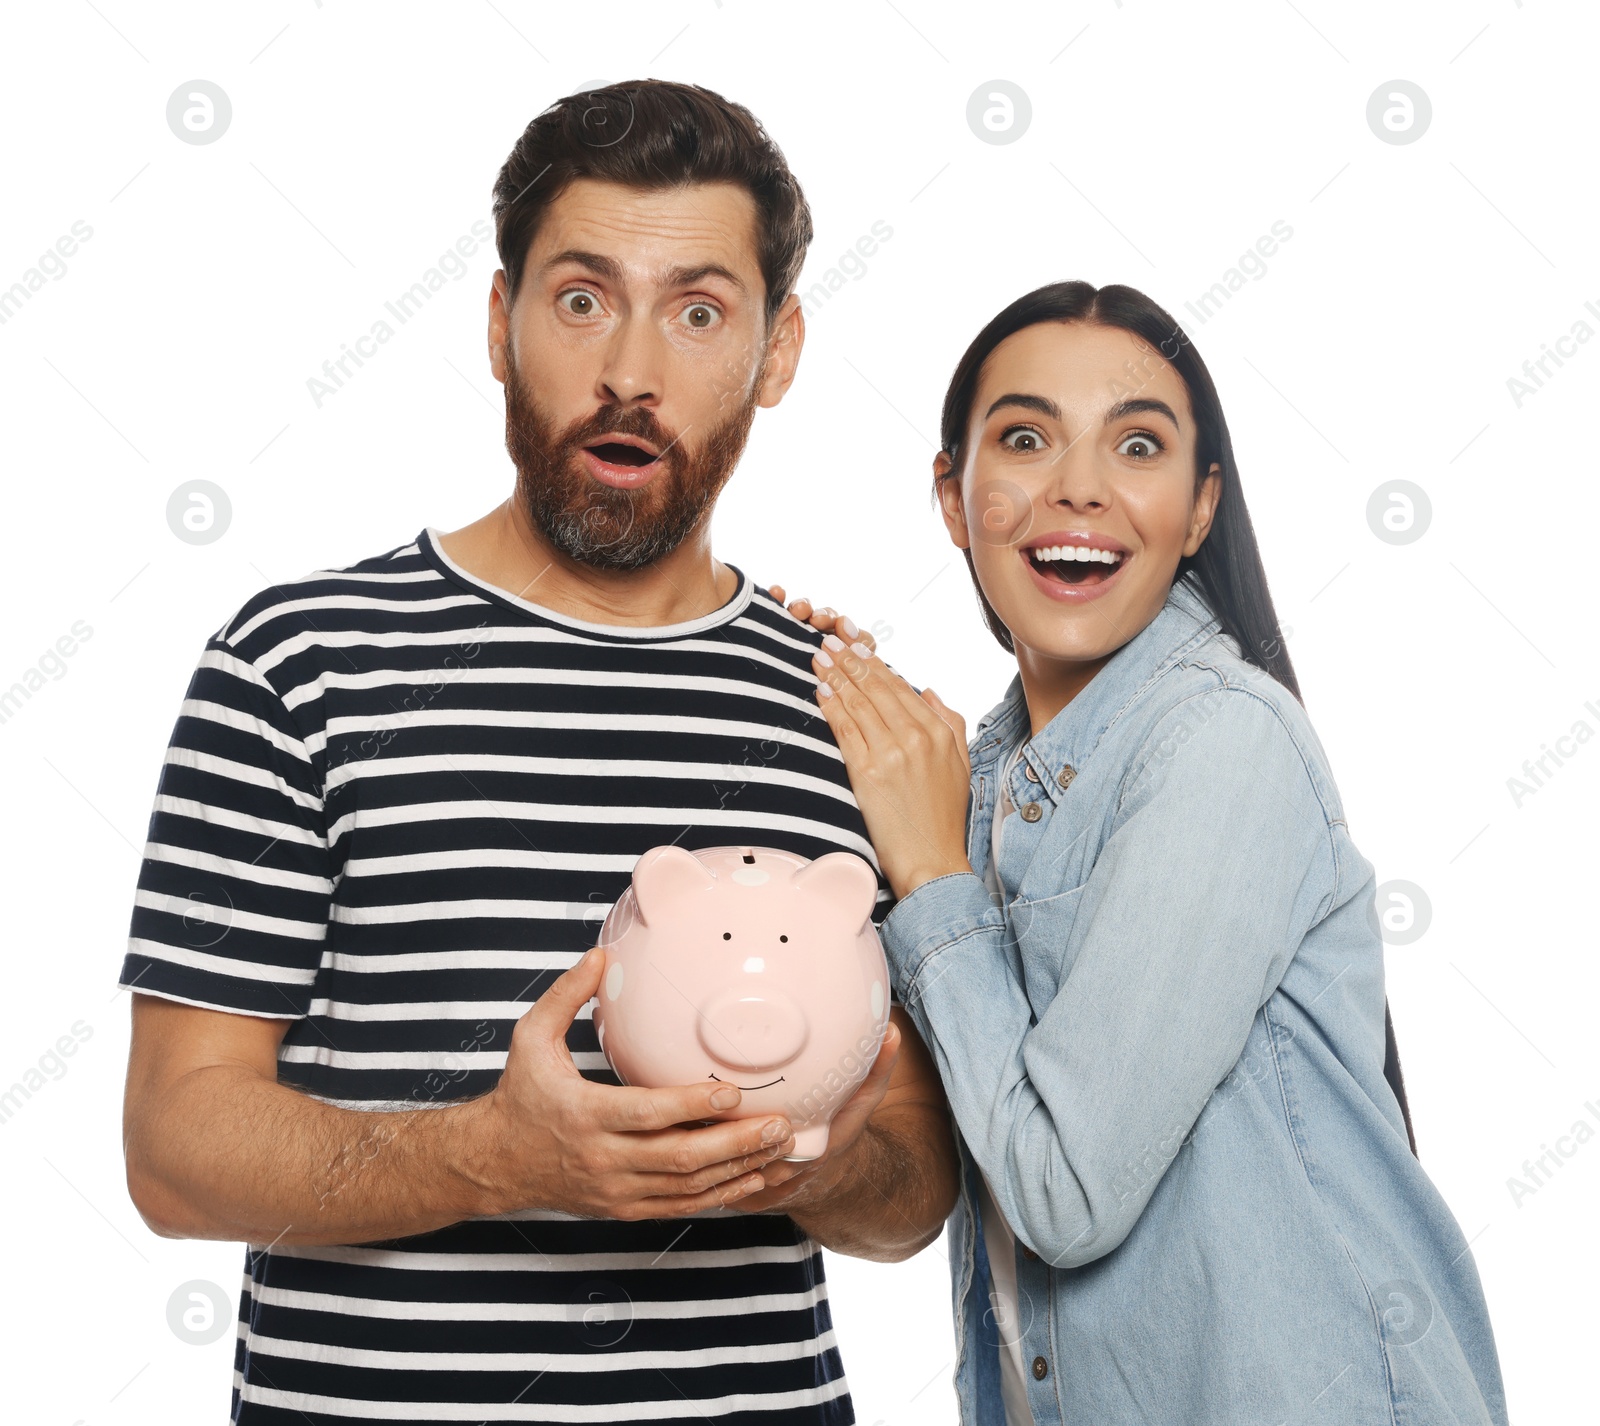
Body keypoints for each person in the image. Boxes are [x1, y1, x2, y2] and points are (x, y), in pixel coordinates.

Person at [118, 81, 956, 1426]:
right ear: (499, 325)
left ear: (779, 350)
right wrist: (497, 1155)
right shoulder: (298, 664)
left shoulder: (848, 710)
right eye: (581, 298)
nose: (632, 368)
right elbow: (173, 1148)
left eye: (698, 311)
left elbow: (915, 1192)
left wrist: (820, 1160)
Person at [793, 281, 1507, 1424]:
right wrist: (812, 694)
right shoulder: (981, 782)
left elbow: (1062, 1193)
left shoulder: (1223, 738)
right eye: (1025, 438)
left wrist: (929, 877)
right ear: (951, 493)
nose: (1078, 485)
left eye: (1136, 445)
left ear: (1199, 506)